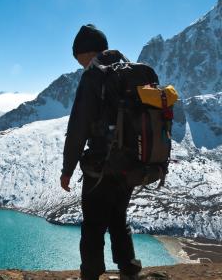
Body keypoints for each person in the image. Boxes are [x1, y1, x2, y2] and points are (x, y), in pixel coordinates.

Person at [60, 24, 142, 280]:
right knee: (119, 219)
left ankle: (91, 275)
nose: (80, 64)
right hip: (131, 164)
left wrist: (67, 171)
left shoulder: (94, 75)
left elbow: (78, 129)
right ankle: (129, 270)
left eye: (79, 58)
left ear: (86, 52)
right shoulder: (131, 71)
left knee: (93, 227)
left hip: (102, 166)